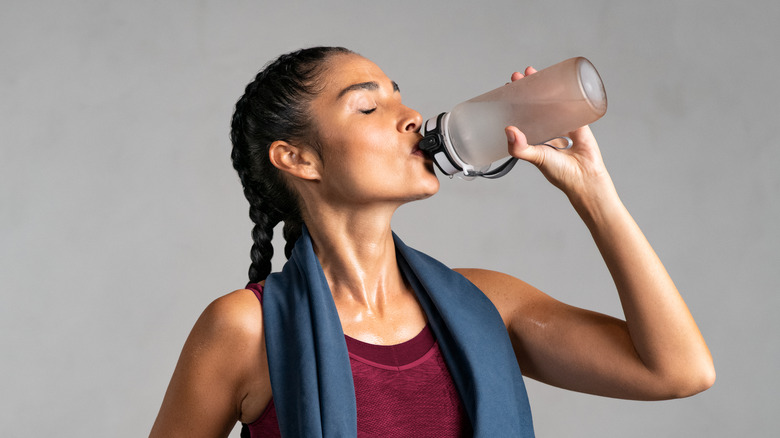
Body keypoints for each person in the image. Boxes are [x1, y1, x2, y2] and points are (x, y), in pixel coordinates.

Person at [149, 46, 715, 437]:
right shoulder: (245, 328)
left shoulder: (487, 304)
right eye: (369, 106)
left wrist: (595, 195)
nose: (412, 116)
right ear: (297, 158)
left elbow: (678, 371)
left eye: (400, 97)